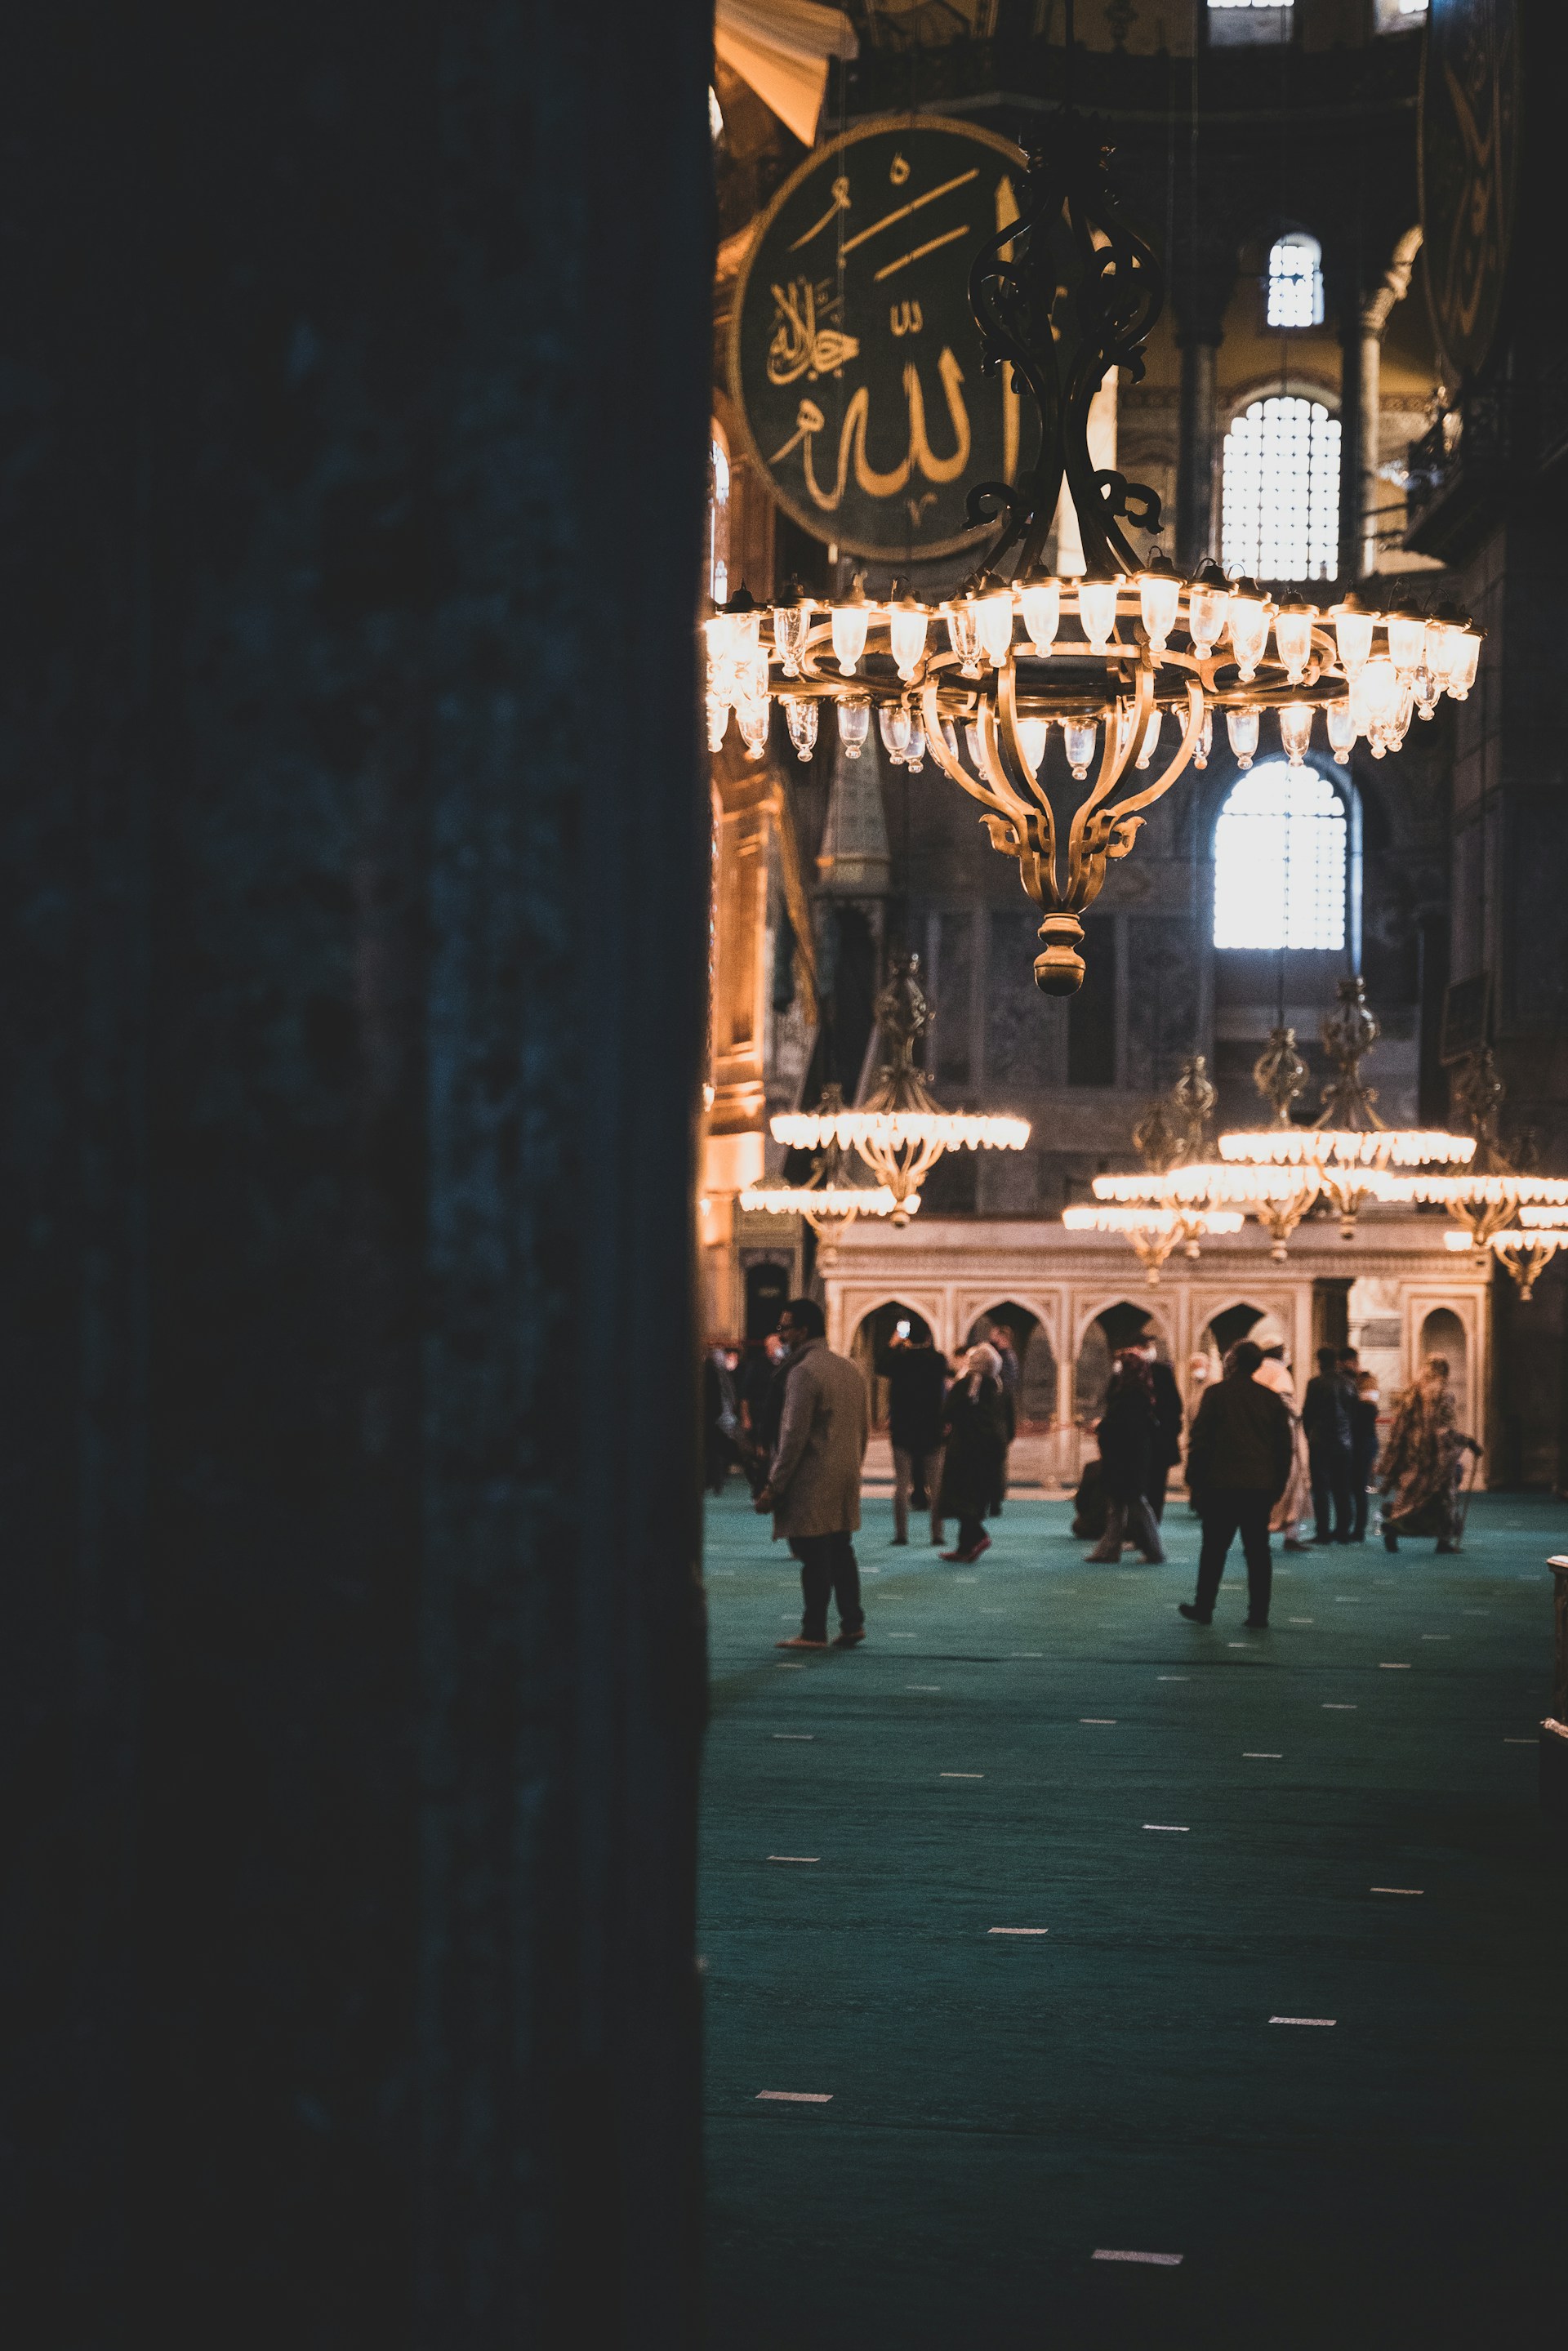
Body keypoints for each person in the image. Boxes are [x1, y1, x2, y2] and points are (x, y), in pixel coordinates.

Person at [756, 1298, 870, 1650]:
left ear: (803, 1330)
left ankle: (814, 1630)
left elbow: (793, 1435)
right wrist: (853, 1465)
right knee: (840, 1548)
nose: (782, 1334)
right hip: (845, 1472)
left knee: (813, 1553)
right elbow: (862, 1430)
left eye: (785, 1327)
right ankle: (852, 1623)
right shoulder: (849, 1368)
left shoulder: (804, 1371)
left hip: (812, 1477)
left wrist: (774, 1486)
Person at [1179, 1338, 1294, 1628]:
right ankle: (1258, 1614)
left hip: (1220, 1486)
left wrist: (1194, 1479)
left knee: (1214, 1550)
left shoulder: (1217, 1395)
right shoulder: (1270, 1400)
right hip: (1258, 1487)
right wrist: (1277, 1486)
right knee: (1257, 1552)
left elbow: (1200, 1441)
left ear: (1232, 1363)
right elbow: (1283, 1449)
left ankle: (1204, 1608)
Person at [1379, 1356, 1481, 1554]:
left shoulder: (1411, 1393)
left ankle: (1394, 1529)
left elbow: (1399, 1427)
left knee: (1412, 1495)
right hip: (1436, 1456)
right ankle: (1443, 1541)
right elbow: (1443, 1430)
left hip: (1413, 1454)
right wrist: (1467, 1441)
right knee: (1444, 1497)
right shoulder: (1443, 1394)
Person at [1085, 1351, 1166, 1564]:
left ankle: (1154, 1551)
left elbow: (1124, 1426)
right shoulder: (1137, 1392)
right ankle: (1108, 1550)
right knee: (1117, 1504)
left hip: (1126, 1458)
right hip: (1127, 1456)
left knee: (1135, 1503)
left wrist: (1101, 1426)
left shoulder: (1132, 1395)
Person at [938, 1342, 1007, 1564]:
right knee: (975, 1499)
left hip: (965, 1449)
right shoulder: (997, 1387)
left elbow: (948, 1411)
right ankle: (965, 1548)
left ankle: (978, 1536)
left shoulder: (967, 1384)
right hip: (989, 1452)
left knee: (959, 1497)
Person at [883, 1326, 948, 1547]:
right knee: (936, 1485)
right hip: (931, 1429)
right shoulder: (937, 1360)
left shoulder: (900, 1360)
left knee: (901, 1485)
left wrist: (895, 1344)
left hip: (903, 1429)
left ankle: (901, 1535)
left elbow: (880, 1365)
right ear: (929, 1338)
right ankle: (937, 1534)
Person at [1254, 1344, 1311, 1551]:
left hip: (1260, 1439)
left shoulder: (1256, 1371)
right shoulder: (1279, 1372)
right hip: (1284, 1438)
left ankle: (1260, 1536)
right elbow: (1285, 1401)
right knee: (1291, 1483)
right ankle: (1291, 1535)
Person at [1301, 1344, 1355, 1545]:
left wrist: (1310, 1436)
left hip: (1321, 1441)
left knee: (1321, 1489)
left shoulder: (1315, 1383)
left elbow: (1308, 1413)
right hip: (1344, 1442)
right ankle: (1343, 1532)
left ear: (1320, 1362)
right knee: (1343, 1488)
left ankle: (1323, 1533)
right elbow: (1353, 1413)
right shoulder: (1349, 1383)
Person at [1136, 1338, 1184, 1521]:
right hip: (1135, 1442)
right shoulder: (1126, 1373)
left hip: (1159, 1443)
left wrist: (1167, 1433)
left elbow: (1174, 1407)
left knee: (1155, 1489)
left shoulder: (1162, 1372)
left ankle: (1151, 1528)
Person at [987, 1322, 1020, 1514]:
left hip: (997, 1420)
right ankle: (993, 1499)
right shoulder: (1005, 1358)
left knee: (995, 1464)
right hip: (999, 1422)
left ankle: (994, 1500)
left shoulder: (1006, 1360)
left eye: (994, 1337)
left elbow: (1005, 1389)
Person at [1348, 1365, 1381, 1542]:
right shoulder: (1370, 1404)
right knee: (1358, 1489)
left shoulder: (1363, 1406)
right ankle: (1357, 1528)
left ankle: (1357, 1529)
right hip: (1366, 1445)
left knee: (1357, 1489)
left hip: (1361, 1446)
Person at [702, 1342, 737, 1495]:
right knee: (716, 1450)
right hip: (718, 1415)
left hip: (713, 1416)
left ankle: (712, 1481)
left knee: (712, 1450)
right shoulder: (719, 1371)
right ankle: (716, 1481)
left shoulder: (709, 1370)